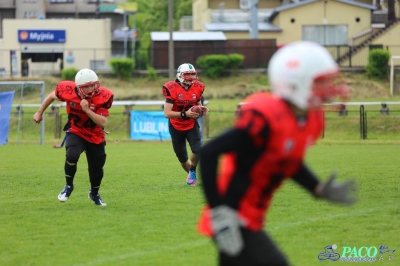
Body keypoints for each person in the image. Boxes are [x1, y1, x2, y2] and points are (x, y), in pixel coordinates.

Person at [197, 41, 357, 265]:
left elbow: (287, 162)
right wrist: (218, 212)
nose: (328, 87)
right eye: (320, 82)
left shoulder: (308, 120)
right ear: (295, 83)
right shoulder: (265, 117)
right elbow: (209, 151)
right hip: (233, 217)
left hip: (251, 217)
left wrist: (316, 188)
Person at [33, 68, 114, 206]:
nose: (91, 89)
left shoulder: (103, 96)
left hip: (95, 136)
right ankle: (68, 186)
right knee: (72, 154)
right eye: (86, 86)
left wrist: (87, 110)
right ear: (78, 88)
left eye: (93, 85)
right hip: (76, 131)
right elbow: (52, 96)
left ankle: (94, 193)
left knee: (97, 168)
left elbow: (103, 122)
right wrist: (39, 112)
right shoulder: (68, 91)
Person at [162, 63, 209, 186]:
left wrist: (201, 108)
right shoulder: (172, 88)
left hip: (191, 124)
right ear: (180, 75)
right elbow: (167, 113)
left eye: (192, 74)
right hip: (176, 125)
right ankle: (192, 175)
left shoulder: (198, 87)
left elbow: (197, 103)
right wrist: (185, 114)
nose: (190, 77)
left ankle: (193, 171)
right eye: (187, 74)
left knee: (198, 149)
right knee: (182, 157)